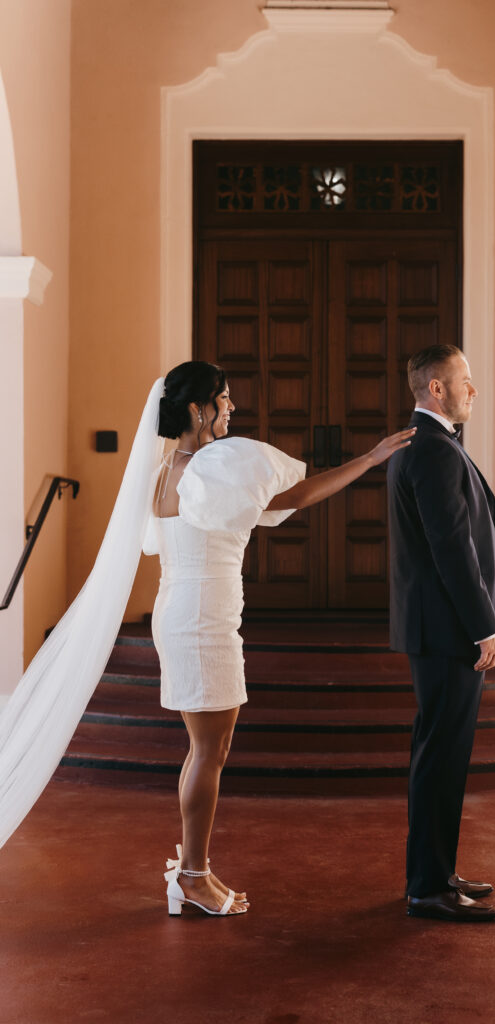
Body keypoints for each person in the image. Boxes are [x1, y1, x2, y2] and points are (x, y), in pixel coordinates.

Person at [148, 361, 416, 917]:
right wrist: (369, 459)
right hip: (201, 619)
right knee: (209, 750)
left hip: (185, 611)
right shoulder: (214, 465)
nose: (232, 409)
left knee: (206, 748)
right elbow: (294, 496)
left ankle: (191, 868)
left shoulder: (168, 468)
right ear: (199, 410)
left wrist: (368, 459)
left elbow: (278, 502)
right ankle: (192, 877)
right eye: (224, 399)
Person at [387, 344, 495, 922]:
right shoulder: (432, 450)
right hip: (448, 631)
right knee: (441, 756)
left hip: (438, 628)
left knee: (440, 755)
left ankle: (435, 871)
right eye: (465, 381)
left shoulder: (429, 444)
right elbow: (451, 551)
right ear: (436, 388)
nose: (472, 390)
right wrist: (485, 627)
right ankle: (429, 887)